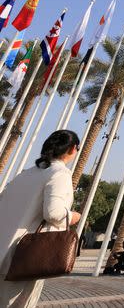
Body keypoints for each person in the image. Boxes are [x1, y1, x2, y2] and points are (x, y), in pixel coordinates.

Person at [0, 130, 82, 307]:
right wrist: (73, 216)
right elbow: (53, 213)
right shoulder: (59, 173)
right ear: (74, 149)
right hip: (23, 256)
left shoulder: (25, 174)